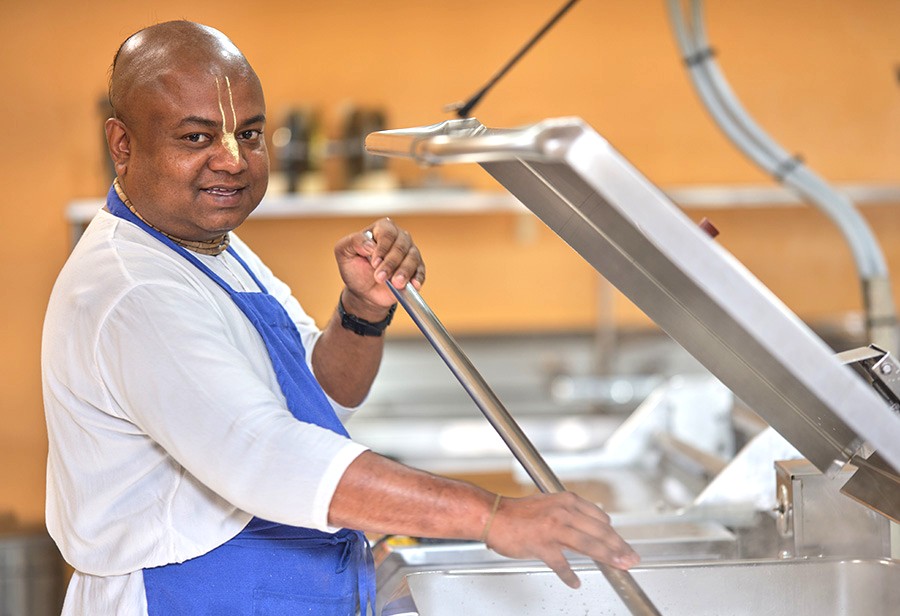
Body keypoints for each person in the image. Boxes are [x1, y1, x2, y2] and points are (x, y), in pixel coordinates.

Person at [41, 20, 639, 615]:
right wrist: (492, 515)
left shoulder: (213, 248)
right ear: (122, 144)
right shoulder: (133, 288)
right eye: (196, 139)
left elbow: (324, 391)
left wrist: (361, 311)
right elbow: (267, 454)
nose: (232, 161)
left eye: (249, 134)